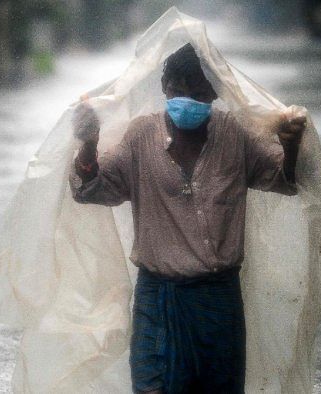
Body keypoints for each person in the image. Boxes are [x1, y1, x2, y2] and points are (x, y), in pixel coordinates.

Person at [69, 43, 307, 394]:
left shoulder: (235, 136)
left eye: (198, 93)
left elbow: (285, 181)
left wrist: (291, 146)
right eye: (178, 91)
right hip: (158, 299)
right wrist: (88, 145)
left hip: (218, 301)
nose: (187, 101)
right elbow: (90, 189)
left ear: (214, 93)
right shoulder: (140, 138)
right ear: (164, 89)